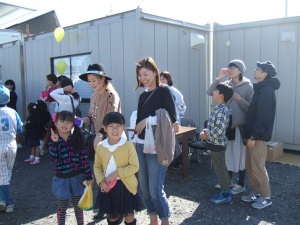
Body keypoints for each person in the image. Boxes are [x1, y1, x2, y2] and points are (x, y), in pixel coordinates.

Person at [133, 57, 176, 225]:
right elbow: (138, 122)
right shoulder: (142, 96)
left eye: (146, 74)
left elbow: (171, 117)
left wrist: (148, 120)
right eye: (140, 75)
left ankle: (164, 220)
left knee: (155, 190)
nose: (143, 78)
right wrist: (135, 140)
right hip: (142, 146)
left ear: (154, 72)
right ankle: (153, 220)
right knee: (144, 189)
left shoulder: (164, 91)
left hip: (158, 146)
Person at [79, 63, 121, 219]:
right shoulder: (93, 96)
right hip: (99, 142)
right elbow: (92, 117)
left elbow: (113, 120)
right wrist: (82, 120)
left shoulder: (111, 95)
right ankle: (104, 206)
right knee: (101, 174)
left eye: (94, 80)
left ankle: (116, 208)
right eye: (89, 81)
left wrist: (101, 134)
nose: (91, 83)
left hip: (112, 141)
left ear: (103, 79)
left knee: (113, 176)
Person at [207, 59, 254, 194]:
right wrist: (219, 78)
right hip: (226, 126)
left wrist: (238, 98)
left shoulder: (248, 86)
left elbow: (251, 108)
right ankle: (228, 182)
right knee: (228, 155)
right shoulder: (226, 84)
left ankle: (241, 184)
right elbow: (210, 91)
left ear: (240, 70)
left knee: (240, 156)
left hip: (239, 126)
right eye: (229, 67)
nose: (230, 69)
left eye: (233, 67)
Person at [241, 61, 280, 210]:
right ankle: (256, 193)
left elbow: (263, 118)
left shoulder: (266, 91)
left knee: (258, 167)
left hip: (258, 138)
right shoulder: (261, 90)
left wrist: (254, 136)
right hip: (252, 136)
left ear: (265, 73)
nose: (255, 70)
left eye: (258, 69)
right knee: (250, 167)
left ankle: (266, 197)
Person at [44, 110, 94, 225]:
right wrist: (55, 143)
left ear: (73, 124)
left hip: (77, 178)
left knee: (78, 205)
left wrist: (89, 176)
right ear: (55, 123)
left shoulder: (77, 139)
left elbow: (84, 160)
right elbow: (54, 160)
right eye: (62, 121)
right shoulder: (54, 140)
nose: (65, 124)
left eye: (68, 122)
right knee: (62, 205)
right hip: (62, 179)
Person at [94, 112, 143, 225]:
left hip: (126, 185)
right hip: (108, 186)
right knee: (112, 216)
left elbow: (135, 166)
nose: (115, 129)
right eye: (111, 126)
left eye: (118, 126)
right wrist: (101, 182)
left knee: (129, 215)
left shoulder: (128, 146)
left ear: (123, 128)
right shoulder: (101, 147)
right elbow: (97, 167)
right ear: (105, 128)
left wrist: (117, 173)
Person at [200, 83, 234, 204]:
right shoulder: (219, 108)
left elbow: (219, 130)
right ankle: (226, 190)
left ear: (221, 95)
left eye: (215, 91)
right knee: (222, 168)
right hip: (217, 143)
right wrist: (207, 131)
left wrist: (206, 134)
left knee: (220, 169)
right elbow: (215, 127)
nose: (213, 92)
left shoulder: (221, 110)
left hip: (217, 144)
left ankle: (225, 194)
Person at [0, 85, 23, 213]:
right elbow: (20, 129)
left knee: (2, 175)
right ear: (8, 100)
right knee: (7, 173)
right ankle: (4, 200)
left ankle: (6, 201)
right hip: (11, 144)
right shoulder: (13, 112)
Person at [160, 71, 187, 170]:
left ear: (168, 80)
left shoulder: (174, 91)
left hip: (173, 120)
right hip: (160, 122)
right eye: (160, 79)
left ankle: (177, 161)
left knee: (174, 141)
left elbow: (181, 106)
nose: (161, 81)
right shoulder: (156, 90)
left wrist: (180, 115)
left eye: (164, 79)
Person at [4, 80, 23, 149]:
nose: (6, 86)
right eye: (6, 85)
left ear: (12, 85)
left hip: (12, 112)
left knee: (15, 128)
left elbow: (10, 103)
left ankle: (18, 142)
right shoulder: (9, 93)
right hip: (10, 112)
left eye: (8, 85)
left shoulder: (12, 94)